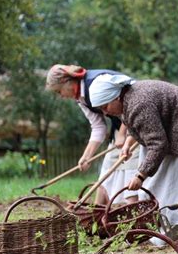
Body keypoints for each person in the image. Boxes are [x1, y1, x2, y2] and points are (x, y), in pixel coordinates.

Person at [88, 75, 178, 240]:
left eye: (105, 106)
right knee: (160, 184)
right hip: (175, 128)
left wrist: (140, 175)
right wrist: (128, 143)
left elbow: (158, 144)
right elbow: (142, 124)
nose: (105, 112)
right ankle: (167, 231)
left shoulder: (138, 103)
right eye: (101, 109)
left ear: (116, 96)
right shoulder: (128, 100)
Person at [45, 65, 140, 204]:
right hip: (121, 128)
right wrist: (87, 156)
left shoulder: (97, 83)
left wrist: (122, 134)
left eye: (59, 91)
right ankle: (95, 219)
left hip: (138, 124)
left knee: (131, 176)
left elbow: (130, 99)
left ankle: (137, 221)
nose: (61, 96)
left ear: (67, 82)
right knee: (105, 175)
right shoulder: (80, 98)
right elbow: (98, 126)